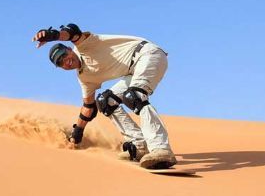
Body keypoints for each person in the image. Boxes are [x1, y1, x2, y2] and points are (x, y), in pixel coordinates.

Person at [32, 23, 177, 169]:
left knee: (135, 96)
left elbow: (72, 32)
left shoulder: (85, 46)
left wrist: (53, 35)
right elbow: (88, 107)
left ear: (70, 49)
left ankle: (160, 148)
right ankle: (139, 145)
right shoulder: (84, 77)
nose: (65, 61)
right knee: (105, 102)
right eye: (60, 62)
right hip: (133, 72)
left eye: (64, 55)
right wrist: (77, 133)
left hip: (148, 55)